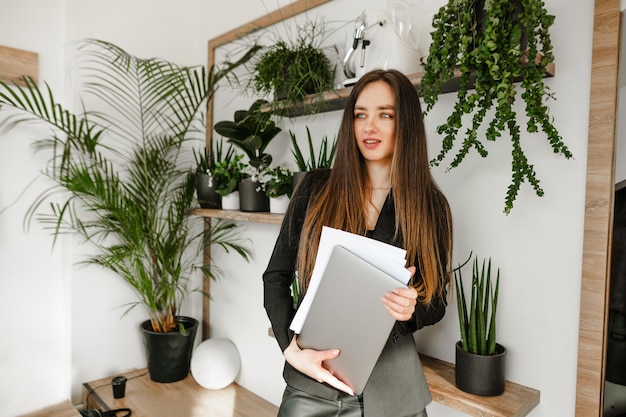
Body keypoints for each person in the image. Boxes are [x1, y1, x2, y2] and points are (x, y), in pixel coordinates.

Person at [263, 69, 453, 417]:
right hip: (314, 383)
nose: (369, 126)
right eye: (360, 114)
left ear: (406, 123)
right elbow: (275, 276)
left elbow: (437, 299)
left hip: (395, 391)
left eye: (385, 115)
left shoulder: (429, 205)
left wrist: (412, 309)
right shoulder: (315, 189)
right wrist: (290, 350)